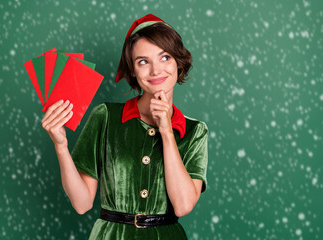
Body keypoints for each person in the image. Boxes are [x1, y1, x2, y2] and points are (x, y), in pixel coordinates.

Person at [41, 14, 208, 240]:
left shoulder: (195, 131)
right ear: (132, 70)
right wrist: (61, 146)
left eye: (165, 57)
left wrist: (167, 131)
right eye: (143, 62)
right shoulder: (106, 116)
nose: (156, 70)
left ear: (178, 62)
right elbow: (81, 204)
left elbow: (183, 205)